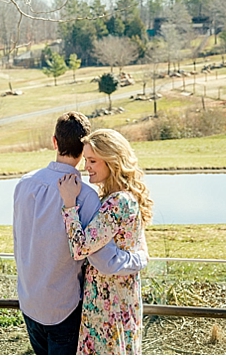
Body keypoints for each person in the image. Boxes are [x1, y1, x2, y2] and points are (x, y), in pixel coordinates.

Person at [14, 112, 147, 355]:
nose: (88, 166)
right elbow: (100, 257)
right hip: (65, 309)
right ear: (83, 146)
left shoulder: (24, 184)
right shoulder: (84, 196)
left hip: (29, 302)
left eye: (93, 161)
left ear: (54, 142)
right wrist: (140, 259)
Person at [58, 128, 152, 355]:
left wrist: (69, 204)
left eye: (92, 161)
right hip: (119, 298)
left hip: (108, 304)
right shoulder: (123, 197)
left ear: (112, 161)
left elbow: (80, 249)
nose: (86, 166)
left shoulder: (117, 202)